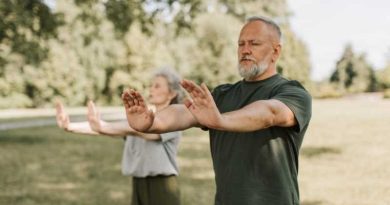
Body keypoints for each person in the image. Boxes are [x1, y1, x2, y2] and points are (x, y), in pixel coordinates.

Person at [121, 16, 312, 205]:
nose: (245, 50)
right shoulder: (222, 95)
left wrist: (220, 120)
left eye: (254, 44)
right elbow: (183, 112)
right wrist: (151, 123)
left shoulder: (292, 93)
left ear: (275, 52)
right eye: (241, 44)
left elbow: (270, 113)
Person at [56, 68, 184, 205]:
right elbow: (109, 129)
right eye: (151, 85)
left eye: (157, 86)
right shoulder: (141, 120)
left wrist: (102, 126)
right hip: (138, 182)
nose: (151, 89)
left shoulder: (173, 119)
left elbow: (145, 133)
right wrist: (70, 126)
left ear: (172, 94)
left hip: (162, 185)